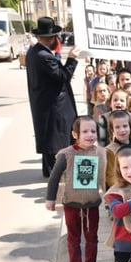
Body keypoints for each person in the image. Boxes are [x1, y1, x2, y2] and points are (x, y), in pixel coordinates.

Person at [45, 117, 106, 262]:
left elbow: (104, 177)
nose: (90, 135)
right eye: (85, 132)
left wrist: (108, 196)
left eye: (93, 131)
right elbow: (54, 177)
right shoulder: (67, 154)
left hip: (92, 203)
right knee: (74, 237)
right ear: (75, 134)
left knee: (92, 235)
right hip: (71, 203)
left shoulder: (100, 152)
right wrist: (50, 199)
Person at [26, 17, 79, 177]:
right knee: (57, 137)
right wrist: (72, 59)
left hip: (45, 101)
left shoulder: (35, 51)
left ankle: (49, 169)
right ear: (49, 38)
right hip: (54, 103)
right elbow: (63, 76)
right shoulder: (43, 56)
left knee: (50, 136)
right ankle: (55, 171)